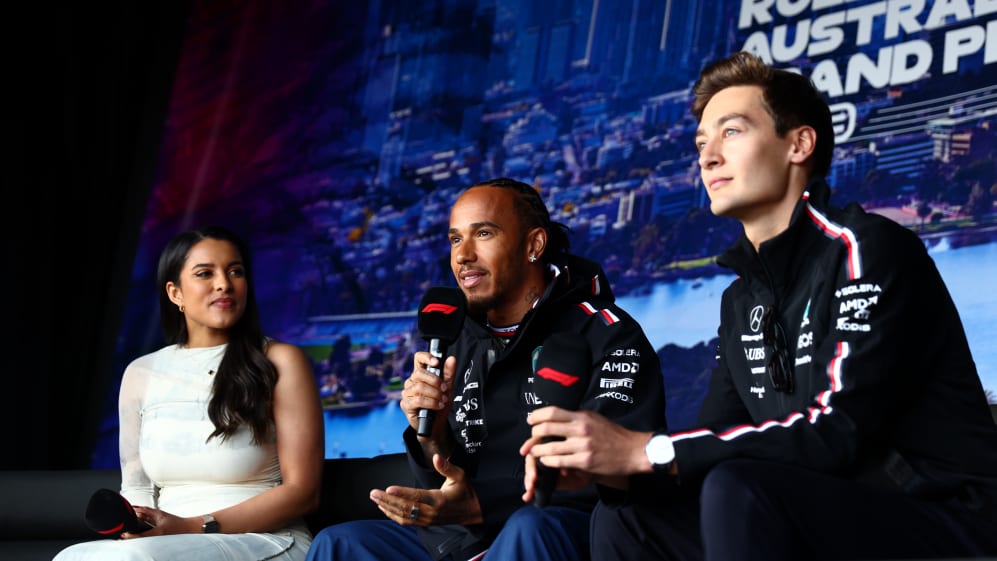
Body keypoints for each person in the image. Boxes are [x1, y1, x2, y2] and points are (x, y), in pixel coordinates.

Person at [520, 51, 997, 560]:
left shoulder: (867, 248)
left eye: (732, 132)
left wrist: (647, 450)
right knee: (626, 517)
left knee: (737, 488)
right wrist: (612, 472)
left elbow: (839, 431)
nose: (707, 157)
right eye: (702, 142)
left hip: (945, 519)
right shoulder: (740, 300)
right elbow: (717, 436)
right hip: (825, 510)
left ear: (798, 144)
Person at [305, 177, 666, 561]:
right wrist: (432, 433)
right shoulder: (455, 340)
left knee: (528, 528)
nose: (463, 255)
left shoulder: (607, 332)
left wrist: (480, 504)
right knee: (340, 544)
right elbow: (444, 481)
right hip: (470, 534)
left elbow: (618, 468)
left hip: (564, 530)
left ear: (534, 245)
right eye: (456, 239)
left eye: (484, 233)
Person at [54, 226, 324, 561]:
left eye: (235, 271)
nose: (224, 283)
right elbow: (137, 489)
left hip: (268, 538)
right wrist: (143, 530)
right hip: (167, 542)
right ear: (175, 293)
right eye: (205, 273)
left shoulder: (280, 360)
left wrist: (194, 526)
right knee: (74, 557)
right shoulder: (141, 373)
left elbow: (303, 493)